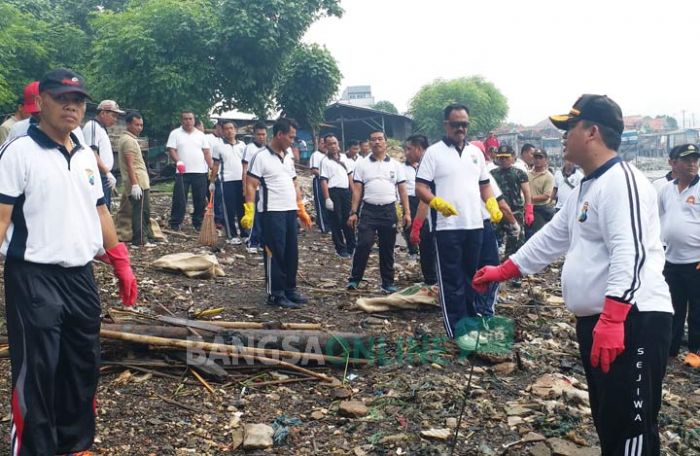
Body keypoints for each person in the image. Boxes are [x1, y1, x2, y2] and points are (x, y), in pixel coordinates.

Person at [473, 94, 673, 455]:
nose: (563, 136)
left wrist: (613, 319)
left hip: (633, 318)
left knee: (633, 427)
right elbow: (553, 238)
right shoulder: (586, 185)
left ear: (592, 132)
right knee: (609, 419)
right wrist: (503, 270)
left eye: (570, 128)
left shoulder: (621, 182)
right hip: (600, 320)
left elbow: (631, 252)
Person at [0, 68, 137, 455]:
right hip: (33, 275)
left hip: (80, 276)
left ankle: (74, 444)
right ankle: (35, 449)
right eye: (62, 99)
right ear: (41, 102)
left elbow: (101, 212)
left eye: (77, 101)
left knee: (81, 364)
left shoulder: (85, 156)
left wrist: (119, 260)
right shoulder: (18, 151)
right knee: (38, 371)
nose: (71, 107)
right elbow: (2, 216)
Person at [414, 103, 502, 344]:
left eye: (464, 124)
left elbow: (484, 184)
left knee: (473, 278)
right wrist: (436, 202)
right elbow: (420, 186)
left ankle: (472, 325)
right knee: (452, 281)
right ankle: (456, 330)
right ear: (446, 125)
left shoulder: (476, 153)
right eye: (456, 124)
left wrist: (491, 204)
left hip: (474, 225)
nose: (460, 128)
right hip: (447, 227)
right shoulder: (434, 152)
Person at [242, 118, 312, 308]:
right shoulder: (261, 156)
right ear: (280, 135)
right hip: (271, 212)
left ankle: (290, 289)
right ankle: (276, 294)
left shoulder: (288, 156)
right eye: (291, 137)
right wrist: (249, 210)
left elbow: (294, 182)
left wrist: (301, 208)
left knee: (291, 253)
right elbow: (251, 184)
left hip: (289, 211)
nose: (293, 140)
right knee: (275, 253)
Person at [347, 129, 411, 293]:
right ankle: (355, 279)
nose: (376, 142)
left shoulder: (395, 165)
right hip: (369, 211)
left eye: (380, 139)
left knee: (387, 247)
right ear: (369, 143)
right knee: (363, 244)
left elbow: (403, 190)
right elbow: (357, 190)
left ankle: (387, 282)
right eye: (373, 139)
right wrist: (353, 212)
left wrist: (407, 212)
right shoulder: (362, 164)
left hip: (389, 211)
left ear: (386, 142)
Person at [657, 143, 700, 367]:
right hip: (671, 260)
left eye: (695, 159)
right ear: (673, 163)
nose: (692, 164)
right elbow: (659, 218)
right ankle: (671, 350)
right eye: (687, 159)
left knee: (697, 310)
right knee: (673, 307)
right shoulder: (665, 190)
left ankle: (695, 353)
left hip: (696, 262)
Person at [167, 110, 212, 231]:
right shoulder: (175, 133)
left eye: (190, 119)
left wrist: (211, 167)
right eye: (185, 119)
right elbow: (171, 150)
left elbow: (206, 152)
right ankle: (175, 222)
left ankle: (197, 222)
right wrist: (178, 161)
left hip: (200, 172)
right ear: (181, 120)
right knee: (179, 198)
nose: (188, 121)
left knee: (200, 199)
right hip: (182, 172)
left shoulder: (201, 135)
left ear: (194, 120)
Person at [117, 111, 156, 246]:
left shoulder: (129, 139)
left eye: (141, 125)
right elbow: (130, 164)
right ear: (128, 124)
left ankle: (145, 237)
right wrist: (135, 184)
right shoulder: (128, 141)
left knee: (144, 211)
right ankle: (140, 240)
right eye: (136, 125)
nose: (139, 128)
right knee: (140, 212)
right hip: (138, 181)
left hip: (140, 181)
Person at [403, 136, 438, 285]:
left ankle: (432, 282)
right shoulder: (433, 159)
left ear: (418, 148)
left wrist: (416, 227)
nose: (406, 152)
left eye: (409, 149)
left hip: (438, 216)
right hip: (439, 213)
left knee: (429, 248)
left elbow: (425, 198)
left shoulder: (427, 163)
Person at [491, 144, 533, 258]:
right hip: (498, 212)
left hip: (515, 212)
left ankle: (513, 269)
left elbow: (527, 192)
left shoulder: (519, 173)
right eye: (501, 157)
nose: (503, 160)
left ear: (513, 157)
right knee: (495, 241)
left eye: (506, 157)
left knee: (516, 242)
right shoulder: (492, 174)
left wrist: (529, 209)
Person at [83, 99, 124, 212]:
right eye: (113, 115)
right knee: (100, 209)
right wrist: (106, 172)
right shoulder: (92, 126)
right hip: (97, 174)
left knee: (106, 207)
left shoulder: (101, 129)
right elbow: (92, 152)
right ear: (103, 113)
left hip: (103, 174)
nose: (115, 120)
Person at [210, 120, 246, 244]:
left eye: (231, 128)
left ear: (235, 130)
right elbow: (215, 165)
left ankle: (245, 233)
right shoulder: (218, 146)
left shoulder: (242, 145)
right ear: (222, 131)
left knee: (242, 208)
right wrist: (212, 181)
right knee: (228, 209)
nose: (229, 131)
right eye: (226, 129)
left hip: (242, 180)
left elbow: (246, 164)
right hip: (226, 181)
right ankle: (232, 234)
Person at [320, 133, 356, 258]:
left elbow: (349, 176)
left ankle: (352, 246)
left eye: (335, 143)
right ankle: (340, 248)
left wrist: (354, 193)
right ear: (325, 146)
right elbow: (323, 181)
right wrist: (327, 198)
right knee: (335, 221)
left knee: (348, 219)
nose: (333, 146)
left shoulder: (344, 158)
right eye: (330, 144)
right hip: (333, 192)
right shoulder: (324, 161)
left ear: (338, 143)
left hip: (345, 192)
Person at [242, 122, 267, 253]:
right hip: (252, 187)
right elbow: (245, 169)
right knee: (254, 215)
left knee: (263, 215)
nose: (261, 137)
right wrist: (244, 187)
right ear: (254, 135)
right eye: (259, 134)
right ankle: (252, 241)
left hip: (264, 189)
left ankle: (263, 241)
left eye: (263, 134)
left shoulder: (267, 149)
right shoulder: (250, 148)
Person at [527, 148, 555, 235]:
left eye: (540, 158)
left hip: (541, 209)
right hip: (528, 208)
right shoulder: (527, 174)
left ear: (545, 160)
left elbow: (546, 195)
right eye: (535, 157)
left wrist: (529, 198)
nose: (537, 160)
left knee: (537, 235)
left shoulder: (548, 176)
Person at [204, 121, 225, 226]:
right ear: (217, 127)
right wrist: (212, 170)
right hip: (210, 171)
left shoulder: (223, 141)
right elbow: (207, 155)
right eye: (223, 129)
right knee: (213, 196)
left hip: (223, 173)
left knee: (220, 197)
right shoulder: (208, 138)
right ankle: (215, 218)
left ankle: (220, 218)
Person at [309, 136, 330, 233]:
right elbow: (314, 170)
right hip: (319, 181)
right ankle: (324, 227)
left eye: (325, 143)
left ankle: (331, 225)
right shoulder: (316, 155)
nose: (324, 145)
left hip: (330, 182)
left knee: (329, 204)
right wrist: (325, 176)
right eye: (322, 143)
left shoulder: (330, 155)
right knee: (321, 204)